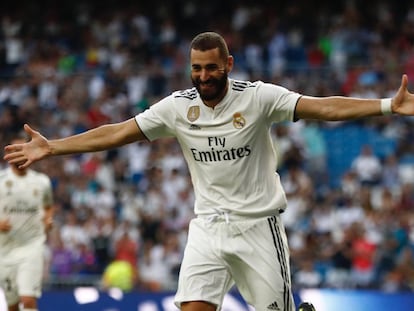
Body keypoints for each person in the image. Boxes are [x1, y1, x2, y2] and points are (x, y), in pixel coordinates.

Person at [3, 31, 414, 311]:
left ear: (228, 64)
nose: (203, 76)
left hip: (258, 227)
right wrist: (53, 146)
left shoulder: (258, 98)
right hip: (208, 227)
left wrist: (386, 106)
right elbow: (119, 133)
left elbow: (323, 106)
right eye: (196, 68)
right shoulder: (179, 107)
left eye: (211, 68)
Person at [0, 133, 54, 311]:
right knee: (13, 304)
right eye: (14, 150)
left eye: (22, 150)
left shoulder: (41, 182)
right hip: (5, 250)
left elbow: (48, 206)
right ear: (7, 154)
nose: (19, 154)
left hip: (32, 247)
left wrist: (48, 218)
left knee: (28, 300)